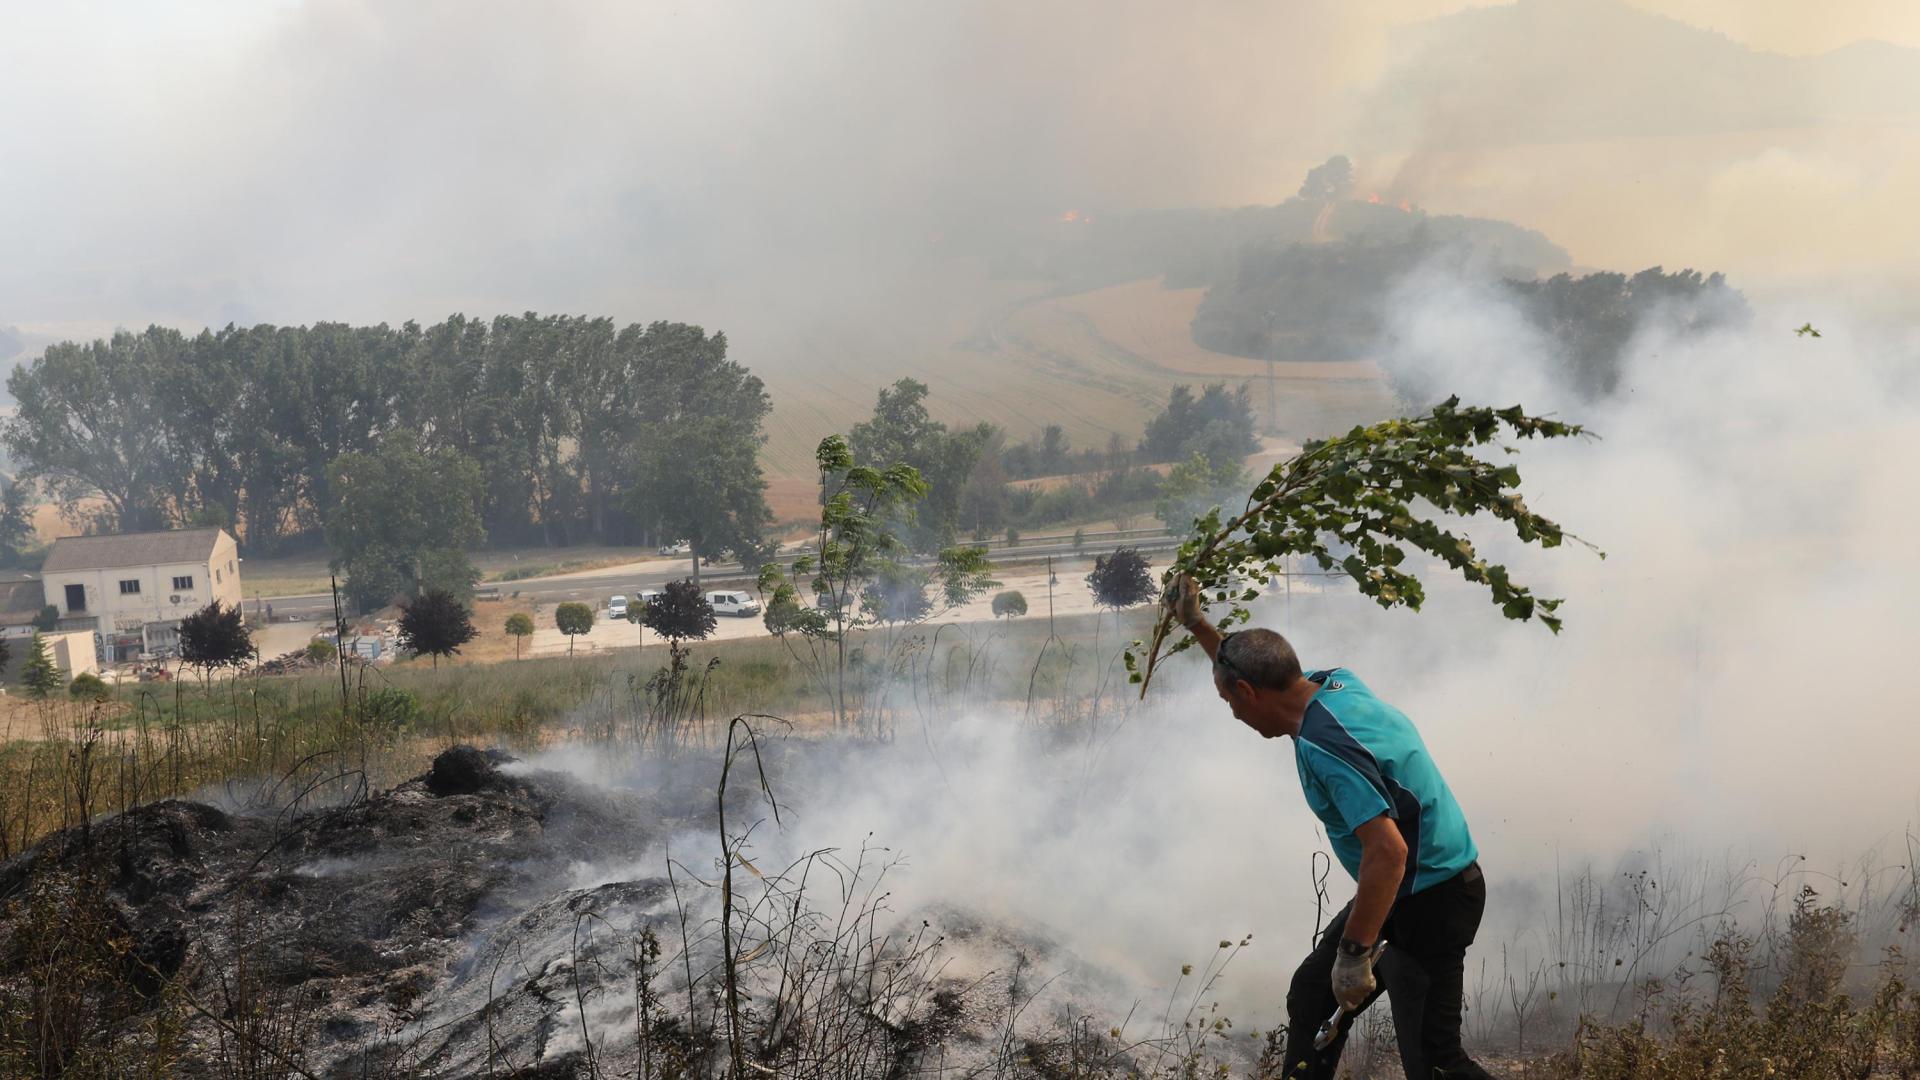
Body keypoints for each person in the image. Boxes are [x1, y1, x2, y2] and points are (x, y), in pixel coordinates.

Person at [1162, 575, 1493, 1080]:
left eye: (1230, 702)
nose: (1233, 715)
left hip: (1432, 900)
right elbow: (1244, 668)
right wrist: (1197, 625)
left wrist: (1356, 955)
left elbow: (1388, 853)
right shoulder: (1331, 683)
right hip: (1407, 892)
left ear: (1247, 693)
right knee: (1314, 993)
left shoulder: (1325, 749)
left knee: (1438, 1064)